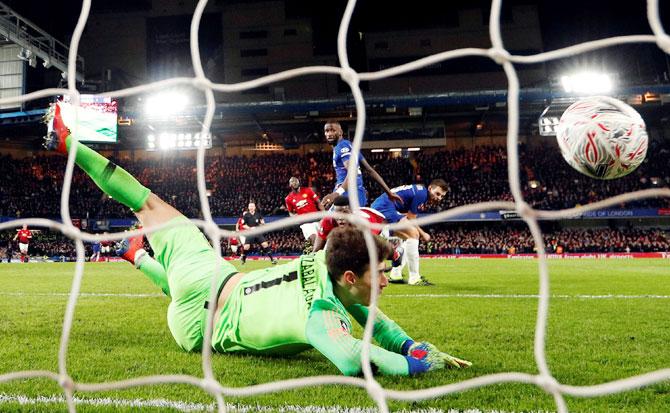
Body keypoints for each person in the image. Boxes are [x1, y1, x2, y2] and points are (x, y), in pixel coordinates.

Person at [45, 101, 470, 376]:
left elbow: (373, 321)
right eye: (379, 272)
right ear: (347, 277)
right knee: (173, 279)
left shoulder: (325, 267)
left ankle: (72, 146)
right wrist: (415, 365)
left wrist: (409, 344)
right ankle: (138, 257)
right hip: (200, 326)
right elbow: (347, 355)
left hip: (213, 276)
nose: (384, 280)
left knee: (147, 203)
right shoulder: (322, 316)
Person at [371, 180, 448, 286]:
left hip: (383, 206)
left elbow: (406, 214)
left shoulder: (419, 192)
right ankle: (414, 278)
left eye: (442, 196)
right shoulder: (422, 194)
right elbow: (411, 218)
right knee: (414, 233)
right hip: (384, 208)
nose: (439, 198)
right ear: (430, 188)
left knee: (408, 237)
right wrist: (423, 233)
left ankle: (396, 274)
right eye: (437, 194)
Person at [321, 121, 403, 209]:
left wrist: (336, 193)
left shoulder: (342, 146)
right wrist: (389, 193)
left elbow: (353, 172)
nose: (329, 134)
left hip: (348, 193)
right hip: (357, 192)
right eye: (327, 131)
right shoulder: (350, 146)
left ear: (340, 132)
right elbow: (370, 170)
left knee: (332, 221)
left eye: (333, 130)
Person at [284, 176, 324, 247]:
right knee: (313, 239)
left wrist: (324, 214)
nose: (294, 182)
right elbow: (291, 212)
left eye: (296, 181)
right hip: (305, 223)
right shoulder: (288, 198)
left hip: (317, 219)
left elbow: (318, 202)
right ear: (290, 185)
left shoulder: (308, 190)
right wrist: (295, 218)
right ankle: (318, 255)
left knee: (323, 240)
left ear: (299, 182)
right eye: (292, 181)